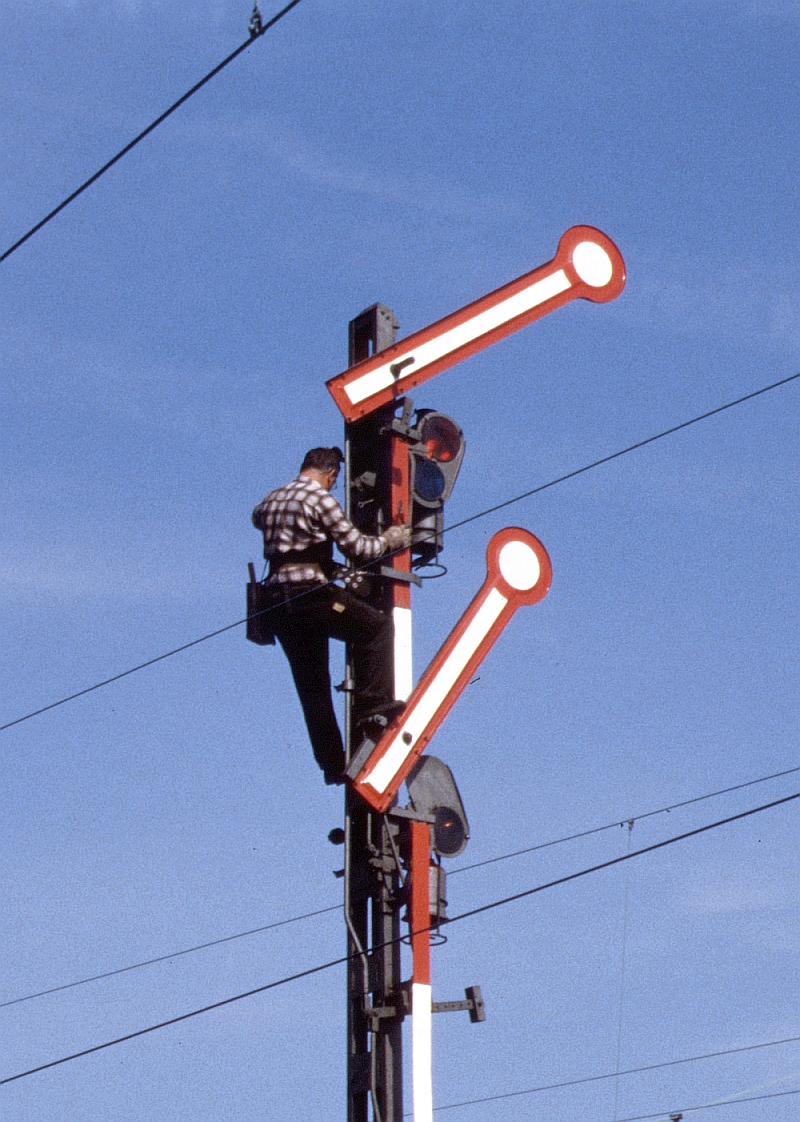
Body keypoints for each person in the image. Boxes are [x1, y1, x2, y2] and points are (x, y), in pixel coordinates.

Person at [252, 447, 411, 785]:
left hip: (277, 604)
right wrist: (391, 539)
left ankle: (332, 764)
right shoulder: (320, 500)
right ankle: (372, 707)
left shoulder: (270, 500)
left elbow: (261, 522)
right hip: (312, 597)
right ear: (330, 474)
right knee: (376, 628)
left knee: (312, 688)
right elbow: (360, 549)